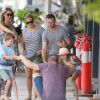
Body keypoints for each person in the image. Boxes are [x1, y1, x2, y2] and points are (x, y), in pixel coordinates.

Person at [22, 14, 44, 100]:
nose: (30, 23)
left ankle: (36, 96)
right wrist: (22, 50)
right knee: (28, 76)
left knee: (35, 75)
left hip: (37, 56)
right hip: (27, 55)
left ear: (33, 20)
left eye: (31, 21)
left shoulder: (41, 30)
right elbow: (23, 43)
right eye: (28, 22)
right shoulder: (24, 31)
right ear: (26, 23)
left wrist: (42, 51)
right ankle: (29, 95)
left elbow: (46, 41)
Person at [0, 7, 18, 98]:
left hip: (11, 56)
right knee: (2, 78)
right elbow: (8, 32)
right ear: (3, 15)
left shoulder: (13, 27)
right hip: (2, 55)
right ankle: (2, 96)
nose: (9, 16)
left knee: (10, 78)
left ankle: (6, 96)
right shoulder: (0, 25)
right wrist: (11, 31)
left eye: (11, 14)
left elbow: (16, 39)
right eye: (7, 14)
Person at [0, 33, 19, 100]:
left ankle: (17, 98)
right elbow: (5, 57)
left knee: (13, 81)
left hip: (9, 68)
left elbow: (14, 56)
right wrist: (14, 57)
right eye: (11, 41)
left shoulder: (11, 47)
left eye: (13, 41)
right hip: (2, 68)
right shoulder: (1, 47)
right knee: (9, 81)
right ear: (6, 40)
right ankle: (4, 95)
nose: (12, 43)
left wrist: (19, 57)